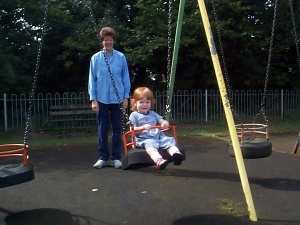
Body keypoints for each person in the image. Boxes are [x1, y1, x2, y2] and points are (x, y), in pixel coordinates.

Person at [88, 26, 131, 169]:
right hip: (101, 99)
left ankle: (116, 157)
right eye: (105, 40)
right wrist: (93, 99)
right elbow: (92, 79)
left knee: (118, 129)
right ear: (102, 42)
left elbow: (125, 78)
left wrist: (126, 97)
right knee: (102, 129)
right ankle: (103, 157)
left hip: (118, 98)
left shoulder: (121, 57)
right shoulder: (95, 58)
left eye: (110, 40)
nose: (108, 43)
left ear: (113, 41)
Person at [129, 87, 184, 170]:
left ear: (151, 103)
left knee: (168, 141)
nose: (145, 104)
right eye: (141, 102)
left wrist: (164, 123)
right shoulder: (134, 115)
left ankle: (176, 155)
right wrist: (143, 127)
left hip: (158, 136)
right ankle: (159, 160)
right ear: (134, 103)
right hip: (144, 138)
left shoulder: (153, 114)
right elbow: (132, 129)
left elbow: (161, 120)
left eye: (147, 102)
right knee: (150, 145)